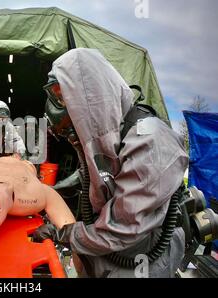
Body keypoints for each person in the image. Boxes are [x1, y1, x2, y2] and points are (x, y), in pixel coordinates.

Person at [33, 48, 188, 278]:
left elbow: (121, 228)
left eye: (63, 94)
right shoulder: (103, 138)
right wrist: (55, 190)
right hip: (107, 248)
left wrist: (63, 234)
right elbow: (95, 174)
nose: (73, 137)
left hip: (141, 258)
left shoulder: (151, 143)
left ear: (90, 96)